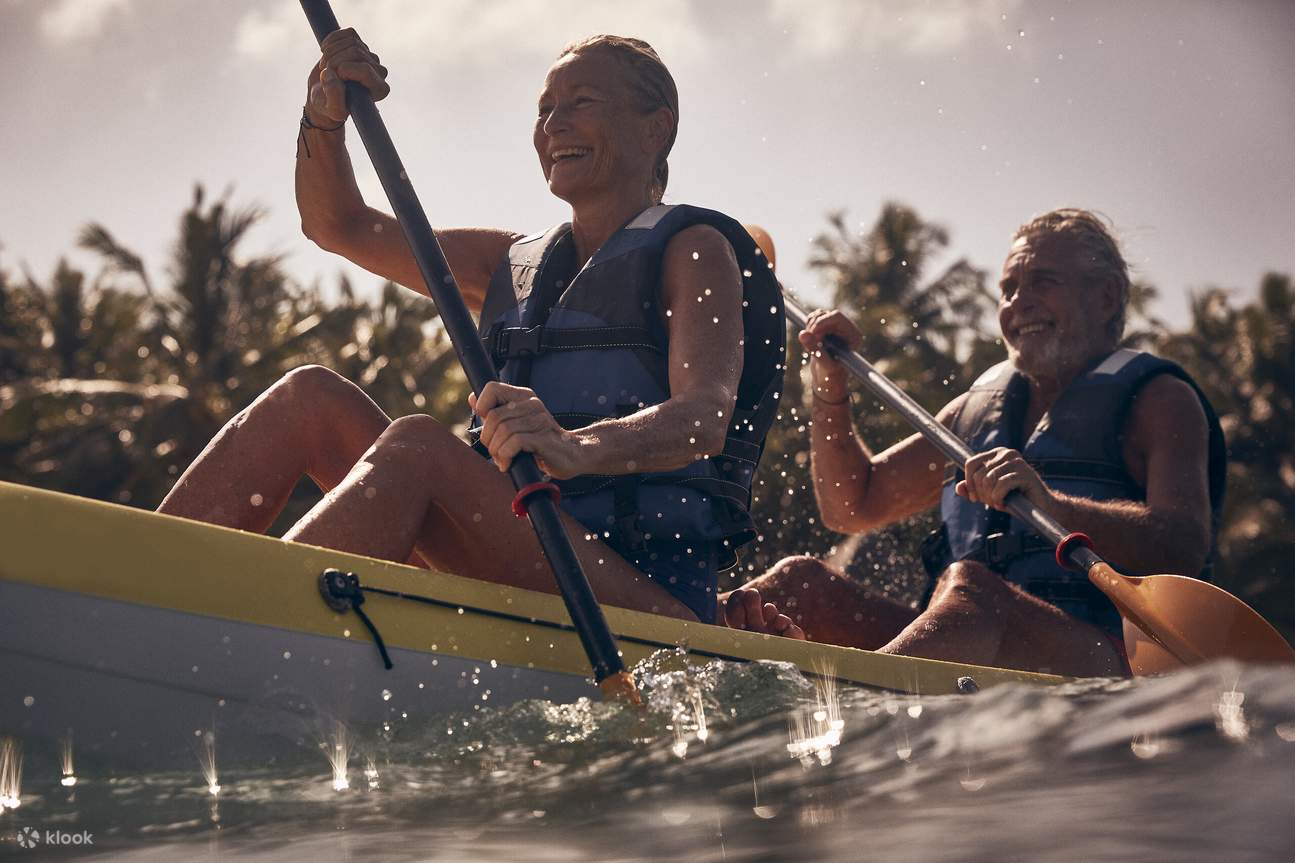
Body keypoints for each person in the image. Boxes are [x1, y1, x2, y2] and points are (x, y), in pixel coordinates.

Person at [158, 31, 784, 624]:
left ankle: (246, 627)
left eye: (582, 102)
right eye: (545, 109)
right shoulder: (509, 264)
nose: (554, 124)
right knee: (308, 399)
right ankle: (140, 580)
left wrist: (575, 447)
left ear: (657, 126)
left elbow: (703, 418)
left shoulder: (694, 247)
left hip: (644, 597)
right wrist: (324, 116)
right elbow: (338, 226)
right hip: (519, 545)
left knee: (420, 448)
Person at [723, 209, 1225, 676]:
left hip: (1107, 659)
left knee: (973, 589)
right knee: (800, 584)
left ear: (1107, 297)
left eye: (1043, 282)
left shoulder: (1159, 399)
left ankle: (856, 712)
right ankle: (689, 657)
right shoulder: (973, 411)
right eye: (1008, 289)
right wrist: (830, 389)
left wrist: (1051, 505)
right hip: (968, 642)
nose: (1017, 302)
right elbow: (850, 505)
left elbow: (1182, 544)